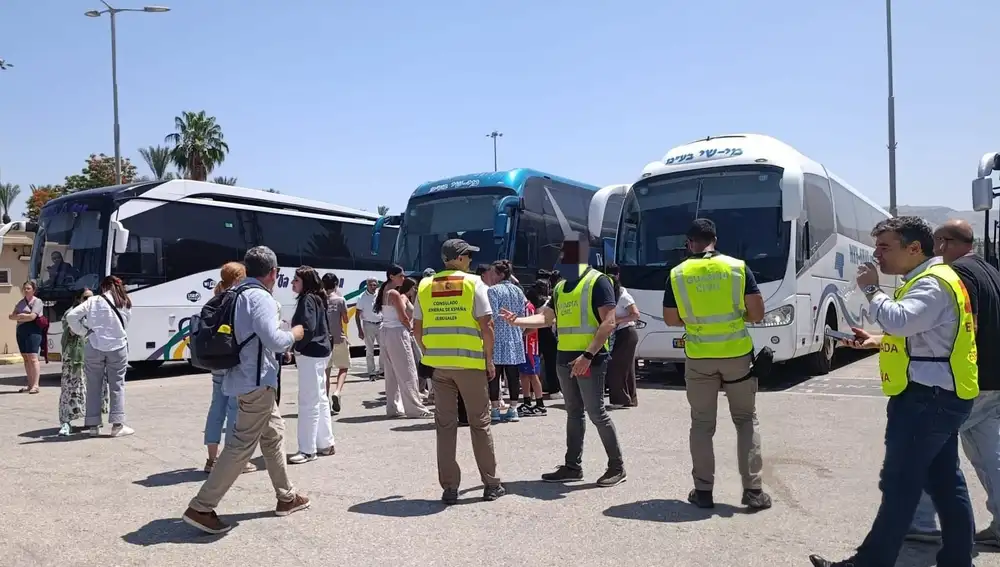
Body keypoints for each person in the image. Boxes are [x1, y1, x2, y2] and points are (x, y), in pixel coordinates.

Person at [809, 217, 978, 567]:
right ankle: (958, 560)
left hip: (927, 400)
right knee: (946, 482)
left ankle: (869, 563)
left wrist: (872, 289)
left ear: (914, 248)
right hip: (942, 395)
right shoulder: (936, 279)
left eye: (885, 247)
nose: (876, 255)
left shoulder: (931, 284)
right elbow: (924, 336)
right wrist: (876, 341)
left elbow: (900, 321)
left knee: (900, 484)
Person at [182, 246, 310, 535]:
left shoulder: (236, 292)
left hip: (243, 378)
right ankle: (202, 507)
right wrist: (296, 334)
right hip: (256, 382)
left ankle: (286, 497)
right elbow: (275, 340)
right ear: (273, 273)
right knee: (240, 446)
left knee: (274, 435)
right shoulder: (260, 298)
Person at [662, 219, 770, 510]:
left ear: (689, 242)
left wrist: (697, 322)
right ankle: (753, 492)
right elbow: (757, 313)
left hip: (699, 357)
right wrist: (734, 318)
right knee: (746, 420)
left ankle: (704, 491)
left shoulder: (678, 273)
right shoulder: (737, 267)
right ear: (715, 239)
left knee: (701, 424)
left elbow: (671, 319)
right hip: (737, 356)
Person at [904, 219, 1000, 547]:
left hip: (967, 381)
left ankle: (920, 524)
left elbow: (963, 326)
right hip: (993, 381)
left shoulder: (959, 275)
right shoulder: (989, 271)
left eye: (935, 244)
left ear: (944, 243)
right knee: (989, 457)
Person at [502, 258, 626, 488]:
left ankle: (616, 466)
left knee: (597, 413)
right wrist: (518, 321)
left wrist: (587, 356)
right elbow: (545, 318)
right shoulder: (560, 287)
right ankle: (572, 466)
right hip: (564, 358)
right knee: (574, 413)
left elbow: (609, 323)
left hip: (589, 359)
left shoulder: (598, 282)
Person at [414, 239, 505, 503]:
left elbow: (416, 329)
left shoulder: (425, 285)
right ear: (461, 258)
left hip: (440, 367)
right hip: (470, 365)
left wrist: (430, 352)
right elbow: (487, 326)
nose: (471, 261)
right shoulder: (472, 283)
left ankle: (450, 488)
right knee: (480, 423)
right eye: (469, 256)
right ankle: (491, 484)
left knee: (445, 426)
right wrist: (489, 360)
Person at [203, 263, 256, 473]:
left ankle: (211, 460)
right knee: (235, 410)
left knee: (216, 408)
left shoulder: (214, 299)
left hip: (216, 361)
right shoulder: (238, 300)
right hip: (233, 361)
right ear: (238, 279)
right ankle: (232, 461)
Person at [65, 275, 133, 438]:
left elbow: (71, 317)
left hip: (94, 346)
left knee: (93, 385)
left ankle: (93, 426)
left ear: (103, 287)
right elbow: (127, 323)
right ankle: (117, 425)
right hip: (118, 347)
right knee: (117, 385)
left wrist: (83, 331)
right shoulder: (125, 302)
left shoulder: (92, 301)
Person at [288, 266, 336, 464]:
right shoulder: (317, 298)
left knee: (308, 401)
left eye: (296, 280)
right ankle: (325, 443)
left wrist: (296, 346)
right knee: (320, 398)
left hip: (310, 353)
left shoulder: (307, 299)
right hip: (321, 351)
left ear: (305, 282)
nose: (292, 283)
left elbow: (306, 328)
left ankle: (308, 450)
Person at [375, 265, 433, 418]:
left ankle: (393, 407)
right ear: (391, 276)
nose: (403, 278)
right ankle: (415, 409)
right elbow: (403, 317)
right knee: (408, 370)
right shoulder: (393, 293)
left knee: (392, 372)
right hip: (397, 331)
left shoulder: (384, 290)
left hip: (386, 331)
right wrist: (411, 328)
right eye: (400, 275)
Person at [57, 288, 108, 436]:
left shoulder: (97, 313)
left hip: (94, 355)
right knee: (70, 389)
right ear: (79, 299)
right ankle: (66, 422)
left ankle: (94, 419)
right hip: (74, 359)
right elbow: (72, 331)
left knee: (93, 388)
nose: (89, 301)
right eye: (86, 298)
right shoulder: (71, 313)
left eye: (92, 298)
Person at [486, 259, 526, 422]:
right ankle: (513, 408)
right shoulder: (518, 291)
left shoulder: (493, 291)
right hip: (515, 336)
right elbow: (523, 315)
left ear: (500, 274)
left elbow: (492, 316)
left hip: (497, 336)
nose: (490, 276)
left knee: (495, 375)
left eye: (493, 273)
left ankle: (495, 409)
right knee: (513, 375)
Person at [605, 265, 640, 408]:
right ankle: (630, 399)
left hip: (627, 333)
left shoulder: (624, 296)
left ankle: (620, 399)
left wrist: (617, 321)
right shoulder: (611, 296)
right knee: (627, 368)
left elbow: (636, 314)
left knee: (616, 367)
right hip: (620, 333)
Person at [517, 279, 548, 416]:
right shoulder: (524, 307)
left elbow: (533, 327)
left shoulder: (529, 307)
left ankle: (540, 403)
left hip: (530, 345)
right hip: (524, 345)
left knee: (533, 374)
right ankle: (527, 401)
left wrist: (521, 334)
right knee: (524, 374)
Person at [323, 273, 350, 415]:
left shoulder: (320, 300)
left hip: (325, 340)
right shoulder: (340, 300)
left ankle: (326, 399)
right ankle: (337, 392)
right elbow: (346, 320)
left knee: (326, 372)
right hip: (339, 338)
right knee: (344, 367)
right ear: (336, 284)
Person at [10, 280, 43, 394]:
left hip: (33, 330)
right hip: (21, 330)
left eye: (28, 288)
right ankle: (29, 384)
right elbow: (11, 316)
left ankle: (36, 385)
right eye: (24, 288)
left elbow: (33, 316)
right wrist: (23, 316)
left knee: (33, 357)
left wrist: (21, 316)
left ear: (33, 290)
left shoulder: (37, 302)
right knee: (26, 358)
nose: (26, 290)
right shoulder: (20, 302)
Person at [535, 269, 561, 398]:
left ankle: (533, 390)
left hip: (533, 333)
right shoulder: (549, 300)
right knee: (551, 363)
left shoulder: (530, 298)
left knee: (534, 362)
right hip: (547, 333)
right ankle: (554, 389)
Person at [355, 277, 383, 380]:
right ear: (367, 285)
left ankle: (382, 370)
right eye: (370, 285)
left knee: (384, 348)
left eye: (374, 285)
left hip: (380, 324)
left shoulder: (380, 295)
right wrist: (359, 330)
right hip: (368, 325)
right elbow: (357, 315)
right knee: (370, 350)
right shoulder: (361, 297)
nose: (372, 287)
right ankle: (371, 373)